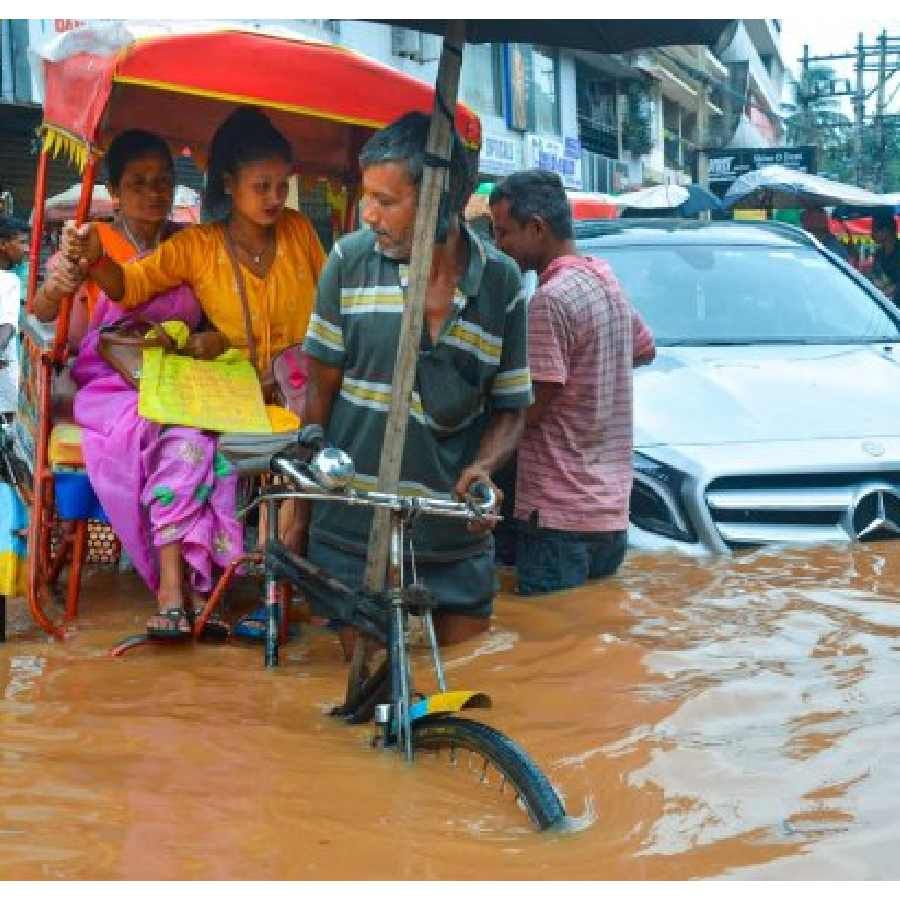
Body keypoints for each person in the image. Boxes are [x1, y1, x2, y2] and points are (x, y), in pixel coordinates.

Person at [60, 109, 326, 639]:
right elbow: (129, 286)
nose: (275, 198)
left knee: (311, 451)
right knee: (210, 453)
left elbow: (333, 307)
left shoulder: (299, 231)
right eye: (261, 186)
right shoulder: (197, 246)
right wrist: (94, 260)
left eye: (281, 186)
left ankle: (279, 579)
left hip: (307, 389)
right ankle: (220, 582)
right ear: (229, 184)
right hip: (236, 396)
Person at [301, 111, 531, 650]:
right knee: (366, 697)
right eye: (368, 197)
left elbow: (511, 407)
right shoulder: (349, 261)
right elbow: (319, 393)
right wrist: (299, 511)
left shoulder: (501, 283)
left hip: (453, 534)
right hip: (355, 526)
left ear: (440, 199)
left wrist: (484, 466)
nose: (369, 215)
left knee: (470, 674)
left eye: (386, 201)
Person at [489, 169, 655, 595]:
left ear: (537, 228)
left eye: (504, 232)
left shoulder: (550, 300)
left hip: (556, 515)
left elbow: (531, 409)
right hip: (610, 510)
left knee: (545, 646)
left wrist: (479, 458)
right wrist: (594, 382)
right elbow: (643, 348)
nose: (498, 245)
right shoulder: (604, 279)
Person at [871, 209, 899, 304]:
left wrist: (893, 288)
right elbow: (875, 275)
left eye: (874, 230)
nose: (872, 234)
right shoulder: (878, 254)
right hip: (883, 305)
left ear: (886, 231)